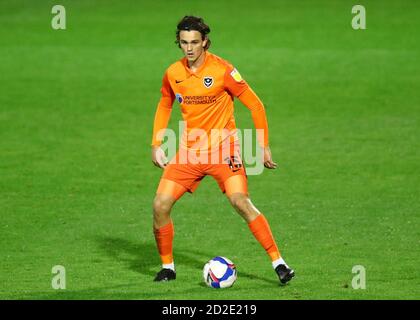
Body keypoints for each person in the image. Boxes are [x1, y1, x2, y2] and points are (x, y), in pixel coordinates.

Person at [150, 15, 294, 285]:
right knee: (160, 205)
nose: (189, 48)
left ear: (205, 41)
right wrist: (156, 144)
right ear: (179, 43)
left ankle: (279, 263)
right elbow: (164, 103)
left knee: (240, 201)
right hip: (190, 152)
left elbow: (256, 105)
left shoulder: (223, 71)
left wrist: (262, 146)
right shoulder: (173, 73)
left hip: (223, 150)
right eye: (184, 43)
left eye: (195, 42)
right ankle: (167, 267)